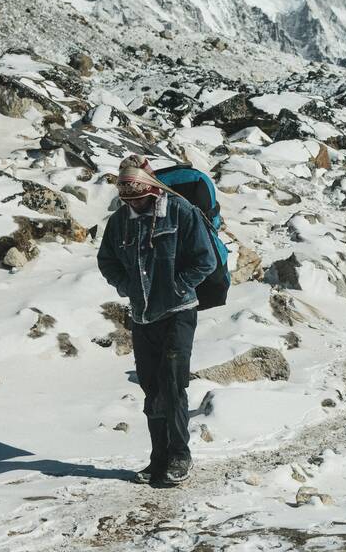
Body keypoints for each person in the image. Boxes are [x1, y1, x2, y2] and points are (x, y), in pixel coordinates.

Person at [97, 155, 218, 487]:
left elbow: (204, 260)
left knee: (172, 384)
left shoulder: (181, 212)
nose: (134, 203)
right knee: (151, 388)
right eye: (128, 199)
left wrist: (177, 286)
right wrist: (127, 286)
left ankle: (180, 455)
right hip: (142, 316)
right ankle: (158, 459)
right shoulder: (120, 221)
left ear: (151, 190)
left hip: (179, 312)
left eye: (138, 197)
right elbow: (106, 260)